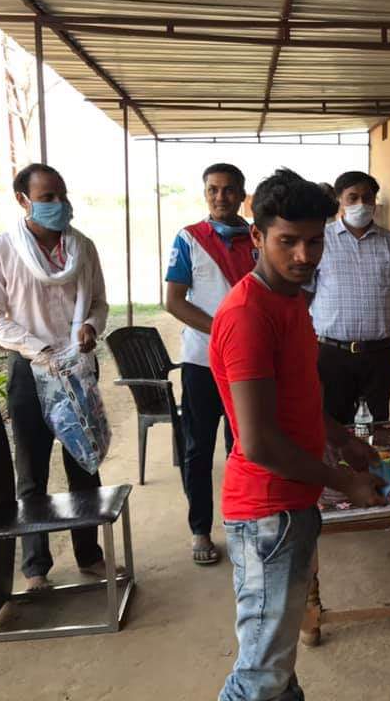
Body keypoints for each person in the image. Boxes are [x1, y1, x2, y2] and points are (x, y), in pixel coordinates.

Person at [210, 168, 386, 701]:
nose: (305, 255)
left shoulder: (288, 299)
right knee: (260, 674)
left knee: (276, 663)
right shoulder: (248, 314)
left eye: (314, 241)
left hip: (291, 504)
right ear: (257, 236)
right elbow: (260, 442)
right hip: (268, 510)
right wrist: (345, 482)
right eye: (288, 241)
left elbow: (298, 397)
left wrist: (340, 438)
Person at [0, 163, 110, 591]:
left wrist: (90, 326)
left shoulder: (82, 247)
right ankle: (36, 568)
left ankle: (89, 555)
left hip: (78, 366)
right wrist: (37, 349)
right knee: (32, 470)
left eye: (62, 195)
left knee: (84, 462)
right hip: (30, 368)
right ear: (23, 201)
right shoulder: (0, 249)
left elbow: (99, 302)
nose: (59, 204)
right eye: (47, 198)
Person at [165, 163, 256, 565]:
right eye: (213, 190)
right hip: (202, 362)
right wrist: (223, 331)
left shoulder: (257, 237)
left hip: (249, 363)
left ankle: (243, 524)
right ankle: (200, 529)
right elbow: (174, 301)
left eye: (229, 189)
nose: (221, 197)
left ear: (241, 194)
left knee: (245, 446)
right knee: (198, 448)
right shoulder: (189, 238)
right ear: (205, 194)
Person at [307, 171, 390, 424]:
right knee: (333, 423)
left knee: (377, 423)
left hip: (380, 353)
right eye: (353, 197)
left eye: (367, 197)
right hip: (332, 354)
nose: (361, 204)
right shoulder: (320, 240)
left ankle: (373, 452)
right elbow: (303, 298)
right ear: (339, 200)